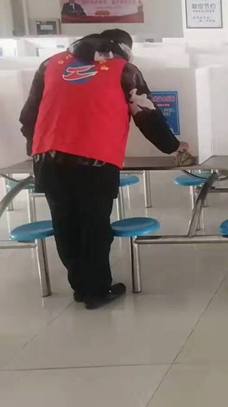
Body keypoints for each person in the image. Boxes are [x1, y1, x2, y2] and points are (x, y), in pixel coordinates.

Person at [19, 30, 188, 309]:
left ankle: (80, 288)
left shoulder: (51, 64)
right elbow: (146, 115)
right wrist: (172, 146)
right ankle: (97, 291)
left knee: (65, 224)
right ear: (124, 49)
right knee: (94, 225)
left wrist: (35, 148)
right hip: (94, 159)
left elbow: (29, 115)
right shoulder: (124, 70)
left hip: (48, 158)